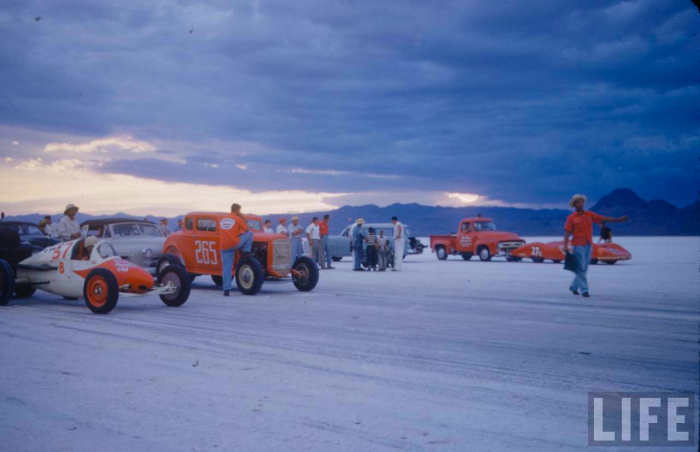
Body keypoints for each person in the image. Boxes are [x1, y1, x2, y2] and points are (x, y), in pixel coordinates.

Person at [563, 194, 627, 298]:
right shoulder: (571, 218)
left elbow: (602, 218)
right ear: (574, 204)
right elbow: (567, 232)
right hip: (578, 245)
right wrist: (565, 245)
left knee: (584, 268)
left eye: (581, 201)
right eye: (578, 202)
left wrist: (617, 220)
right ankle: (585, 290)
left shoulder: (589, 215)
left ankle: (574, 287)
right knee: (580, 268)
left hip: (588, 244)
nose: (580, 203)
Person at [219, 203, 254, 297]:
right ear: (237, 210)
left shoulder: (222, 219)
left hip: (223, 246)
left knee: (226, 268)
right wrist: (243, 218)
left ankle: (226, 290)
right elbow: (247, 229)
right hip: (234, 243)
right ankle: (245, 252)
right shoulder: (238, 218)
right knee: (250, 234)